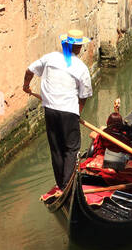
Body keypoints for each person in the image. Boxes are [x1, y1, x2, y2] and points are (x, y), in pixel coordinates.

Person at [23, 32, 93, 188]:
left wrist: (26, 86)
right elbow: (84, 95)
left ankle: (61, 185)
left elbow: (29, 71)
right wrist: (77, 112)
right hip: (69, 112)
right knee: (71, 149)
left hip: (50, 110)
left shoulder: (51, 58)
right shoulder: (81, 68)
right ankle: (68, 186)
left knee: (56, 148)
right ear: (79, 47)